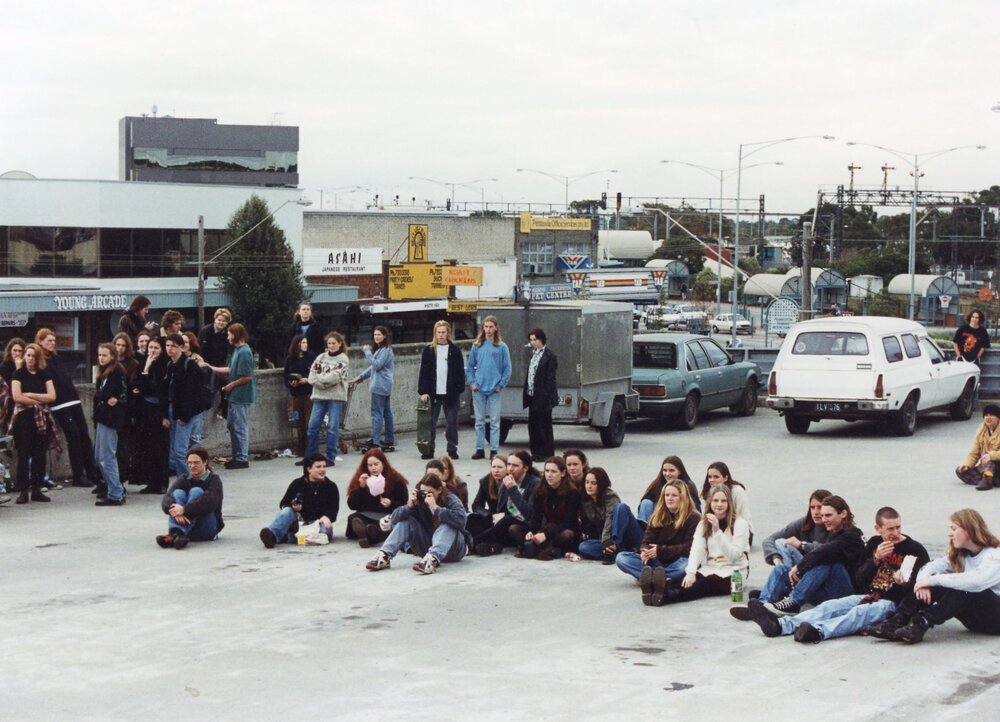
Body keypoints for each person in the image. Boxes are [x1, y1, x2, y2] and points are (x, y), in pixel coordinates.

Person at [749, 507, 930, 643]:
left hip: (892, 602)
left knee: (858, 614)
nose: (896, 533)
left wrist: (905, 583)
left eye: (898, 527)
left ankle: (818, 631)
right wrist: (875, 559)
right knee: (830, 606)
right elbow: (860, 578)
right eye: (890, 529)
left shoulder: (914, 550)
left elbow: (919, 591)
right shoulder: (874, 544)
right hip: (868, 594)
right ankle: (781, 626)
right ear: (878, 528)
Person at [868, 508, 1000, 644]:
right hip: (974, 621)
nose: (950, 534)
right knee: (943, 582)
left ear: (969, 529)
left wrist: (932, 581)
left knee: (964, 586)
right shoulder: (961, 553)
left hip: (996, 620)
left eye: (954, 529)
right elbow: (932, 566)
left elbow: (977, 582)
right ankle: (897, 620)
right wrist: (923, 583)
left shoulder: (995, 555)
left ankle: (921, 622)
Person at [758, 495, 866, 616]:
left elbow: (824, 551)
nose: (824, 519)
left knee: (828, 562)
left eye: (828, 515)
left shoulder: (853, 535)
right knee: (782, 569)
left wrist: (799, 568)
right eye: (823, 515)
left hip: (847, 595)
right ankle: (762, 606)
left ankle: (793, 602)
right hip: (827, 592)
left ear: (843, 513)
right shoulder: (834, 532)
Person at [646, 484, 750, 606]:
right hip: (711, 568)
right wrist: (691, 572)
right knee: (681, 580)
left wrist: (717, 532)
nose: (719, 504)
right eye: (715, 500)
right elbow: (697, 549)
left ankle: (664, 597)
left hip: (733, 572)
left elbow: (734, 556)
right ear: (710, 503)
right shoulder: (703, 524)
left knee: (700, 587)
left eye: (724, 501)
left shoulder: (740, 524)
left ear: (729, 503)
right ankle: (651, 590)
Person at [35, 328, 102, 489]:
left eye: (53, 340)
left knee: (85, 436)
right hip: (59, 404)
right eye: (48, 341)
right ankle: (78, 476)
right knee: (74, 437)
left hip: (73, 400)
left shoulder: (56, 357)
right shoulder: (39, 361)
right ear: (40, 341)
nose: (52, 343)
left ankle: (92, 473)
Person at [616, 480, 701, 603]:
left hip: (679, 560)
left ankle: (654, 578)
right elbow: (647, 540)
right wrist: (644, 551)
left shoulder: (693, 517)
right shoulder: (658, 515)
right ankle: (659, 579)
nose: (669, 499)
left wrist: (660, 550)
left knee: (684, 567)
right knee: (621, 558)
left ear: (682, 497)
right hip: (657, 561)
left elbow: (690, 548)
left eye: (674, 495)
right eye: (667, 495)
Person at [365, 473, 469, 574]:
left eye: (430, 492)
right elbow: (394, 519)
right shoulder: (419, 501)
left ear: (439, 490)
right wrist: (408, 506)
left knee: (447, 523)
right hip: (427, 546)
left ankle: (432, 560)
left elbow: (462, 520)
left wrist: (437, 509)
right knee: (406, 521)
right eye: (423, 492)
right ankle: (384, 556)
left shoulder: (450, 498)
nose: (426, 496)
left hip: (454, 549)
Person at [9, 343, 58, 504]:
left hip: (41, 419)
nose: (29, 358)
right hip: (24, 418)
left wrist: (30, 394)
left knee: (39, 454)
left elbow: (51, 396)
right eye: (27, 355)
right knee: (24, 454)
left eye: (32, 356)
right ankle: (24, 490)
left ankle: (37, 489)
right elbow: (17, 396)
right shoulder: (18, 373)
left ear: (38, 358)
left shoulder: (44, 374)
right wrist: (37, 401)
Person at [260, 453, 340, 548]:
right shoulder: (297, 484)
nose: (322, 470)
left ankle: (289, 537)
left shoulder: (331, 486)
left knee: (325, 533)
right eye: (318, 467)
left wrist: (327, 517)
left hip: (318, 524)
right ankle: (272, 535)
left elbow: (334, 509)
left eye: (324, 466)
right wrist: (293, 506)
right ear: (309, 469)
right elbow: (284, 503)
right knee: (287, 511)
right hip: (299, 522)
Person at [473, 450, 540, 556]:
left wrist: (513, 490)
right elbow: (501, 510)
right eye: (509, 464)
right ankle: (491, 546)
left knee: (508, 522)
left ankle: (472, 543)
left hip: (528, 525)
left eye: (515, 465)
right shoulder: (506, 482)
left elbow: (530, 514)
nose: (510, 468)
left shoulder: (534, 483)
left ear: (525, 468)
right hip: (507, 524)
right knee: (474, 519)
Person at [157, 446, 224, 549]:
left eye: (196, 462)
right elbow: (167, 499)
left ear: (205, 462)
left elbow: (210, 502)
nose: (192, 466)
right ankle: (178, 533)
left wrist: (184, 510)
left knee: (196, 491)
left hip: (206, 528)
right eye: (190, 463)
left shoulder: (214, 479)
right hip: (189, 529)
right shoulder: (184, 478)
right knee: (178, 493)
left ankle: (176, 533)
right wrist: (176, 511)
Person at [417, 320, 465, 460]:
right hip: (433, 394)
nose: (441, 335)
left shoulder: (455, 350)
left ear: (448, 333)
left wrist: (458, 389)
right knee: (430, 423)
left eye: (443, 332)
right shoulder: (429, 350)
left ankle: (452, 448)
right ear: (435, 333)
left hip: (450, 393)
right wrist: (423, 391)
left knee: (451, 423)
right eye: (438, 332)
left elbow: (460, 372)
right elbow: (423, 372)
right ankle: (429, 449)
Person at [466, 315, 511, 460]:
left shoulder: (502, 347)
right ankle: (479, 449)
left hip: (494, 390)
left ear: (496, 328)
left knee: (494, 421)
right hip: (478, 389)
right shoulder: (477, 346)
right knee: (479, 421)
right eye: (486, 326)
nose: (488, 329)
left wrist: (501, 384)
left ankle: (494, 450)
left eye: (491, 326)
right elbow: (470, 367)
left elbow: (507, 368)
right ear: (482, 328)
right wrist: (472, 383)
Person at [345, 448, 409, 547]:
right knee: (354, 518)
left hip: (387, 515)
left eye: (376, 464)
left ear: (383, 463)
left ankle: (370, 535)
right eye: (370, 465)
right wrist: (361, 488)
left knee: (385, 524)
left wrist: (391, 503)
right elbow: (352, 505)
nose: (373, 468)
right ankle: (367, 532)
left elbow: (404, 504)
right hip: (366, 514)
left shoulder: (396, 479)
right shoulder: (362, 478)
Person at [519, 456, 581, 560]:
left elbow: (569, 522)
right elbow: (536, 518)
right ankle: (548, 549)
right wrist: (531, 531)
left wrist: (546, 535)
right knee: (514, 529)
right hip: (546, 528)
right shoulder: (540, 490)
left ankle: (549, 548)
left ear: (563, 473)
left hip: (563, 530)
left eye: (553, 471)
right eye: (547, 471)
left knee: (567, 534)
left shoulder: (572, 493)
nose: (549, 475)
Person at [162, 333, 204, 480]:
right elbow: (167, 391)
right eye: (167, 345)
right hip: (173, 409)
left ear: (181, 347)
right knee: (174, 449)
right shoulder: (170, 364)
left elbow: (193, 393)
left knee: (180, 450)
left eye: (173, 346)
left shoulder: (189, 364)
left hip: (186, 412)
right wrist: (165, 415)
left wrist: (185, 415)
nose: (170, 349)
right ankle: (185, 479)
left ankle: (190, 479)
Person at [92, 343, 128, 506]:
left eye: (104, 355)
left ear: (112, 356)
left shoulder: (115, 371)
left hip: (111, 418)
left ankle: (116, 493)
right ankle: (115, 488)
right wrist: (103, 397)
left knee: (107, 456)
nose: (101, 358)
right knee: (100, 456)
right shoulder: (103, 373)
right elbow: (100, 395)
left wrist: (104, 397)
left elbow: (105, 394)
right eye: (100, 355)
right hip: (103, 417)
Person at [306, 332, 350, 466]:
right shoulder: (321, 357)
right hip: (319, 395)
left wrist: (321, 381)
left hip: (335, 397)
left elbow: (336, 376)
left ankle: (330, 457)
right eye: (329, 343)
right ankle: (311, 457)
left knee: (332, 427)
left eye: (334, 343)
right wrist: (322, 382)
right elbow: (311, 376)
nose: (331, 346)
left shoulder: (343, 359)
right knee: (313, 426)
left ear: (339, 344)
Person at [134, 336, 171, 494]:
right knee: (147, 447)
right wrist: (147, 367)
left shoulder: (165, 366)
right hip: (145, 410)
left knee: (160, 448)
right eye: (150, 348)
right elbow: (139, 385)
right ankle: (151, 482)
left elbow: (160, 391)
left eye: (156, 348)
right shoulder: (143, 363)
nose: (152, 351)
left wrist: (164, 416)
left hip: (159, 409)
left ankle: (162, 482)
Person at [217, 323, 255, 470]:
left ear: (236, 334)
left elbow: (247, 376)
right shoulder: (237, 350)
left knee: (240, 426)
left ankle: (242, 458)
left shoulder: (244, 352)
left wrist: (230, 386)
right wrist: (210, 366)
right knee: (233, 425)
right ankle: (237, 456)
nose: (227, 337)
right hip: (234, 396)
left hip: (241, 395)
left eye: (229, 334)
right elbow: (231, 369)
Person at [352, 325, 396, 452]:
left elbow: (376, 365)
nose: (376, 337)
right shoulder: (382, 349)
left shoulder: (385, 350)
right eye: (375, 334)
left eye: (379, 335)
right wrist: (361, 377)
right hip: (384, 385)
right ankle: (389, 439)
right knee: (387, 413)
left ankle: (375, 441)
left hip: (380, 386)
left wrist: (367, 352)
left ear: (385, 336)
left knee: (377, 413)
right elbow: (373, 368)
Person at [522, 327, 558, 461]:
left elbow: (550, 378)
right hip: (532, 395)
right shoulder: (533, 354)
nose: (533, 342)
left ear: (541, 339)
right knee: (533, 425)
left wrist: (546, 395)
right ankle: (536, 452)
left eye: (535, 339)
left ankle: (547, 453)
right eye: (531, 340)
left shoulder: (550, 356)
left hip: (543, 397)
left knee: (544, 425)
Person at [578, 466, 626, 563]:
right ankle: (618, 552)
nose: (589, 486)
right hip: (603, 540)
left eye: (593, 483)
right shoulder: (587, 499)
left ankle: (615, 550)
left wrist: (606, 542)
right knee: (583, 547)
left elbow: (610, 520)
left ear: (601, 484)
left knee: (621, 508)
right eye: (587, 482)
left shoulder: (611, 497)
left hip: (619, 537)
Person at [112, 333, 140, 488]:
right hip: (111, 412)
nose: (120, 348)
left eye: (123, 345)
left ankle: (121, 480)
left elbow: (132, 387)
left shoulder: (133, 364)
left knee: (123, 449)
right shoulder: (110, 361)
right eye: (117, 345)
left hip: (126, 411)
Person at [700, 461, 752, 538]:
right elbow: (707, 515)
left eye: (716, 477)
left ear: (725, 478)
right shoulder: (708, 491)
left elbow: (742, 516)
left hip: (740, 530)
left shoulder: (737, 491)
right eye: (709, 477)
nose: (712, 480)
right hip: (717, 526)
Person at [955, 403, 1000, 491]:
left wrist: (991, 456)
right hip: (987, 467)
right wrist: (967, 465)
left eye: (992, 415)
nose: (988, 417)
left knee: (989, 461)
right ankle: (988, 480)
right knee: (960, 471)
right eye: (986, 415)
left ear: (998, 417)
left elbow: (990, 457)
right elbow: (973, 453)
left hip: (996, 464)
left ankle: (987, 480)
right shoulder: (981, 432)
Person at [284, 334, 315, 457]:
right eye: (303, 343)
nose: (305, 345)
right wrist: (291, 383)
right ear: (297, 344)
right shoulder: (290, 359)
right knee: (298, 420)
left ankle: (310, 447)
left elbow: (316, 372)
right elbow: (285, 376)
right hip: (296, 393)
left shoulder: (311, 356)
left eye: (306, 342)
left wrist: (307, 380)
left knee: (309, 420)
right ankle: (300, 446)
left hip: (308, 392)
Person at [467, 453, 507, 540]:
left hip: (507, 518)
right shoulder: (485, 481)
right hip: (492, 517)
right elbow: (476, 505)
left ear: (507, 469)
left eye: (500, 467)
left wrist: (503, 515)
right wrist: (489, 515)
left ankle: (476, 543)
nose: (496, 470)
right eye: (493, 467)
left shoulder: (512, 482)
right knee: (471, 518)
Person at [0, 338, 25, 434]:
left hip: (23, 401)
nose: (17, 353)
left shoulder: (26, 366)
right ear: (10, 351)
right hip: (8, 403)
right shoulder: (3, 367)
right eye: (15, 350)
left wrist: (19, 367)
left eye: (20, 351)